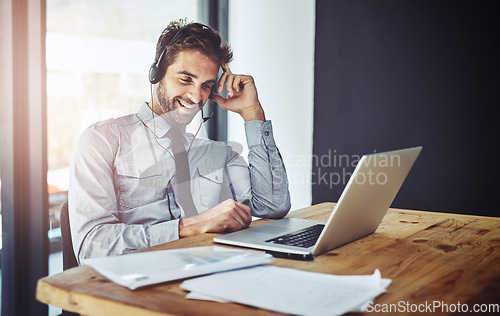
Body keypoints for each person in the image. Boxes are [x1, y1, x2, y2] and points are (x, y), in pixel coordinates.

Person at [69, 19, 291, 263]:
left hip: (201, 277)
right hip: (133, 286)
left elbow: (273, 206)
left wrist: (252, 113)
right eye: (186, 79)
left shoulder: (217, 153)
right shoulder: (104, 140)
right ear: (156, 73)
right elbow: (92, 247)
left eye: (206, 85)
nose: (197, 97)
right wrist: (188, 226)